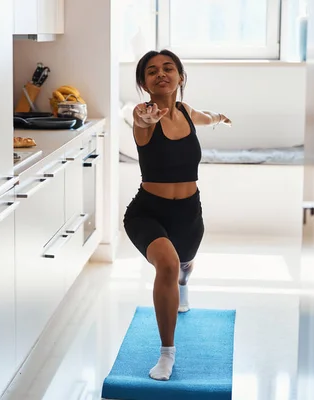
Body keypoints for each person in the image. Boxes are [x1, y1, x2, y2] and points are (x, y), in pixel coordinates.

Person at [123, 49, 232, 381]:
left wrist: (219, 117)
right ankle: (167, 353)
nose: (161, 74)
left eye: (168, 68)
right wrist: (145, 119)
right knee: (167, 265)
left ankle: (185, 280)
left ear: (180, 77)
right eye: (152, 71)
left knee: (183, 263)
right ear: (144, 82)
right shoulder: (143, 115)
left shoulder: (186, 111)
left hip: (188, 213)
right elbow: (141, 123)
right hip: (147, 212)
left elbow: (206, 116)